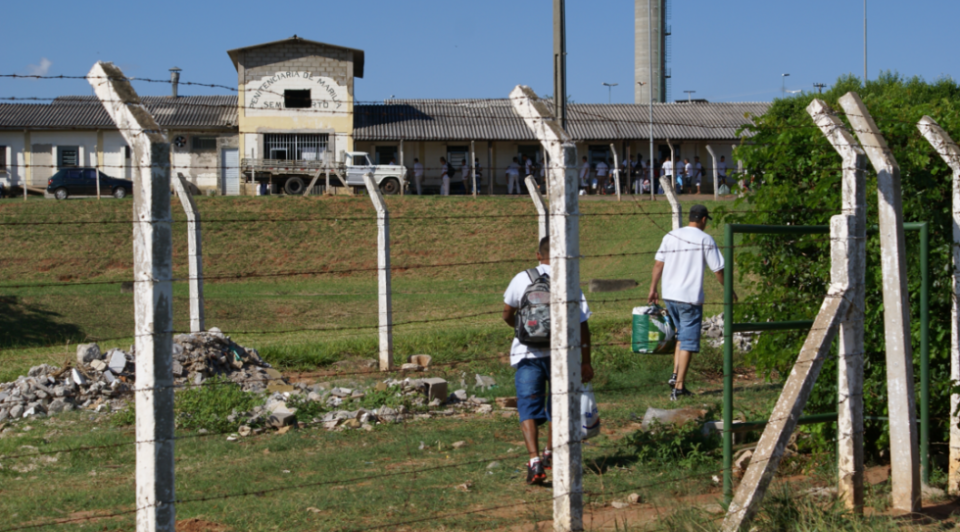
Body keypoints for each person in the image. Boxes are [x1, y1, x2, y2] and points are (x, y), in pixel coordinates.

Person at [503, 236, 593, 484]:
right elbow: (583, 325)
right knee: (558, 405)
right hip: (561, 356)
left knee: (527, 407)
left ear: (538, 255)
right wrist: (586, 360)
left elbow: (506, 313)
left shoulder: (522, 278)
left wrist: (520, 329)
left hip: (527, 354)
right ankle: (550, 453)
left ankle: (534, 462)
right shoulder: (569, 281)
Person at [647, 205, 733, 401]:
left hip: (670, 296)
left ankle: (676, 378)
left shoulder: (671, 235)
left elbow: (658, 264)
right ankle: (678, 388)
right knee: (688, 340)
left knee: (681, 336)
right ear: (703, 219)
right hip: (689, 298)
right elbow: (718, 270)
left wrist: (653, 288)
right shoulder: (705, 239)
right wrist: (729, 289)